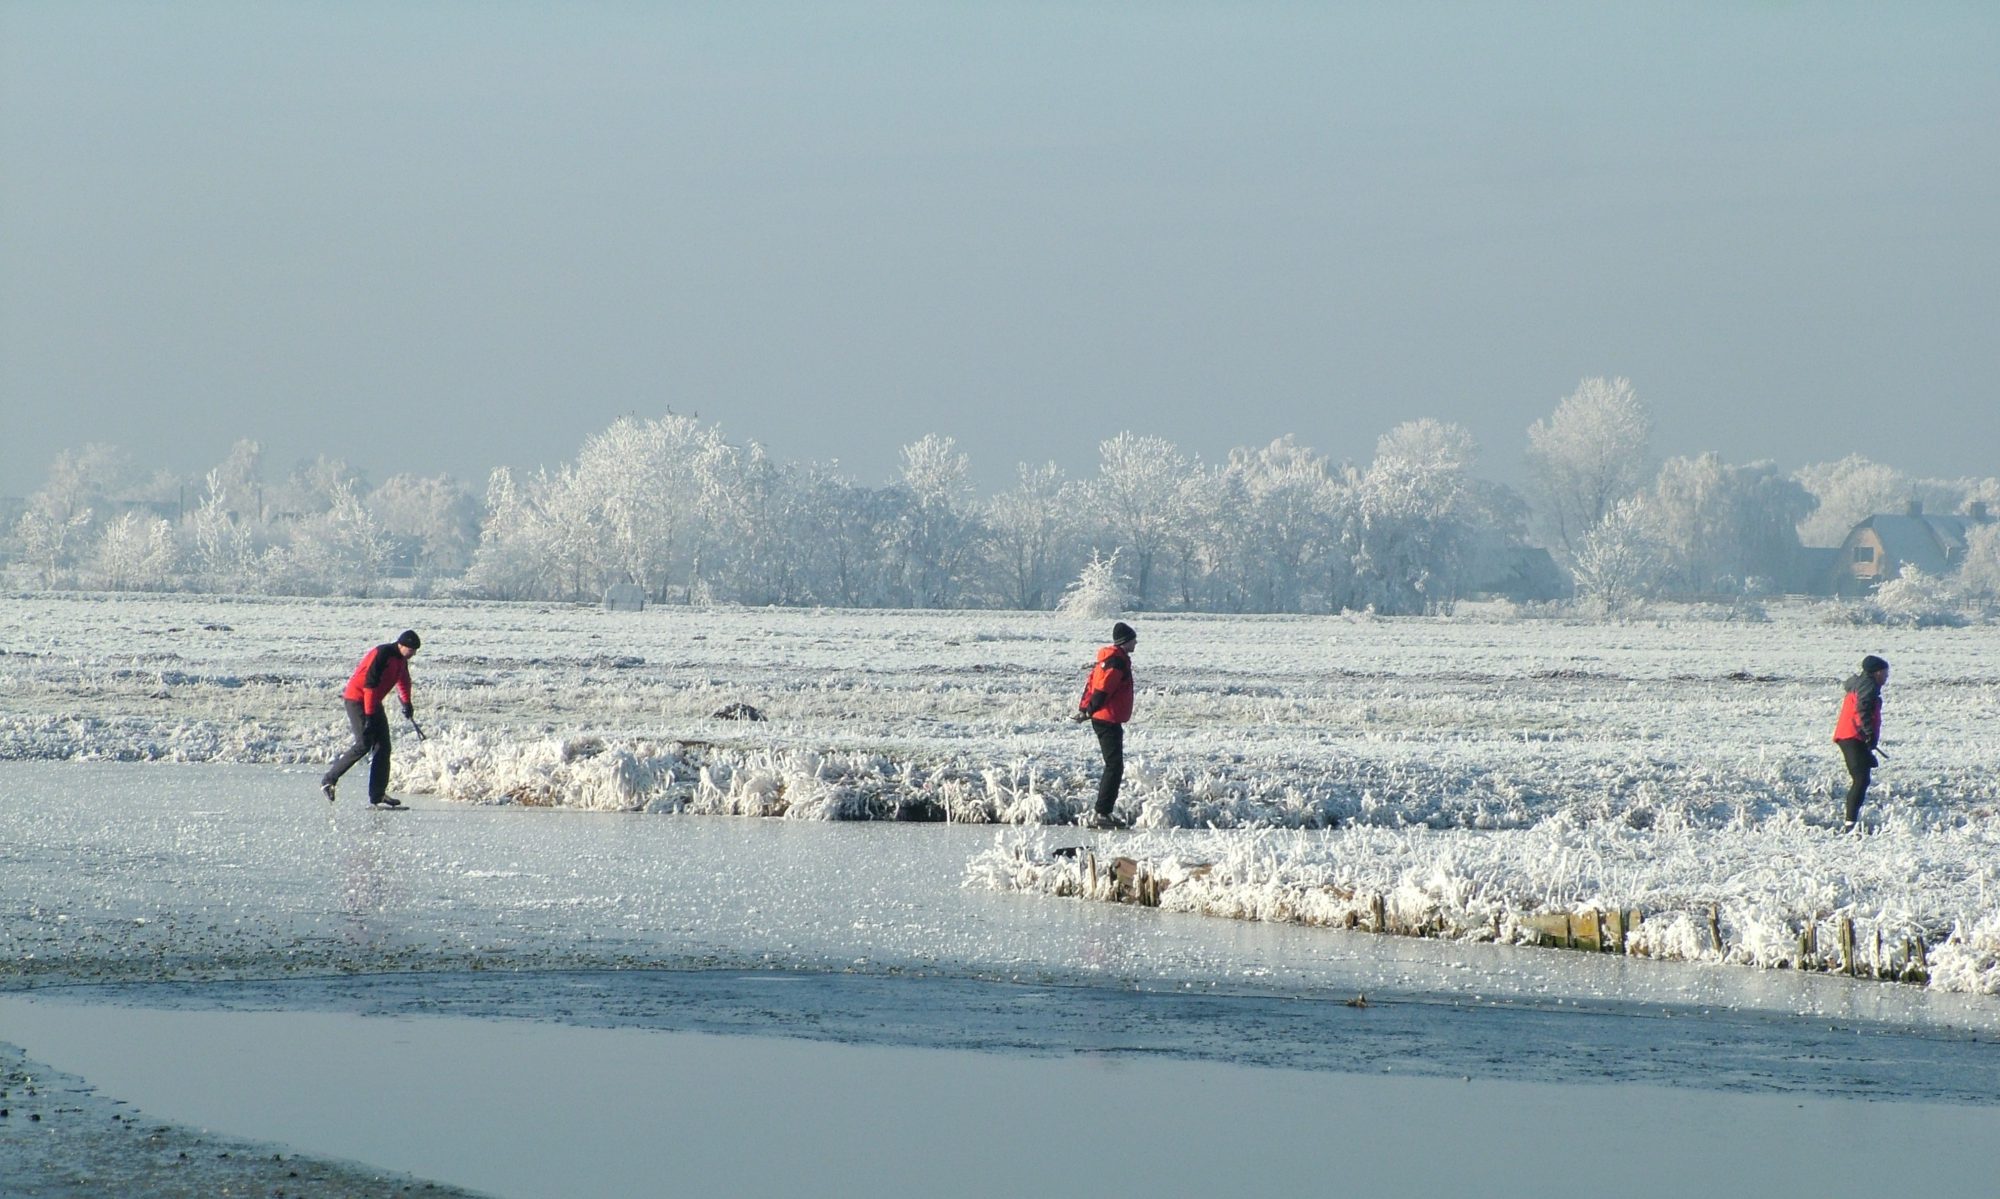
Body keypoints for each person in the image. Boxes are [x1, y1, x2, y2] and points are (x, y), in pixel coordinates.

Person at [322, 630, 422, 808]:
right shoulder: (382, 653)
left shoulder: (401, 660)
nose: (413, 653)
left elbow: (403, 680)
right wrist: (368, 716)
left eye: (415, 651)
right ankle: (329, 780)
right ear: (401, 644)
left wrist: (407, 703)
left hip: (373, 702)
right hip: (357, 700)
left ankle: (378, 795)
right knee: (364, 744)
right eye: (411, 649)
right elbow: (370, 684)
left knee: (383, 747)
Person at [1071, 621, 1137, 829]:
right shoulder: (1116, 662)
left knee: (1114, 765)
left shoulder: (1108, 659)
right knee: (1114, 766)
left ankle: (1104, 812)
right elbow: (1103, 689)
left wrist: (1085, 709)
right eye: (1134, 639)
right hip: (1106, 719)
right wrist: (1089, 710)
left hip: (1107, 717)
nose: (1136, 642)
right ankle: (1102, 813)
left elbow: (1092, 685)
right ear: (1125, 641)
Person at [1833, 654, 1888, 831]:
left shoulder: (1861, 685)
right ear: (1877, 672)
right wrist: (1869, 733)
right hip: (1852, 736)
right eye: (1885, 673)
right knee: (1861, 779)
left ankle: (1851, 822)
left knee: (1863, 776)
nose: (1886, 677)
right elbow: (1862, 708)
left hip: (1851, 736)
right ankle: (1849, 825)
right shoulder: (1868, 686)